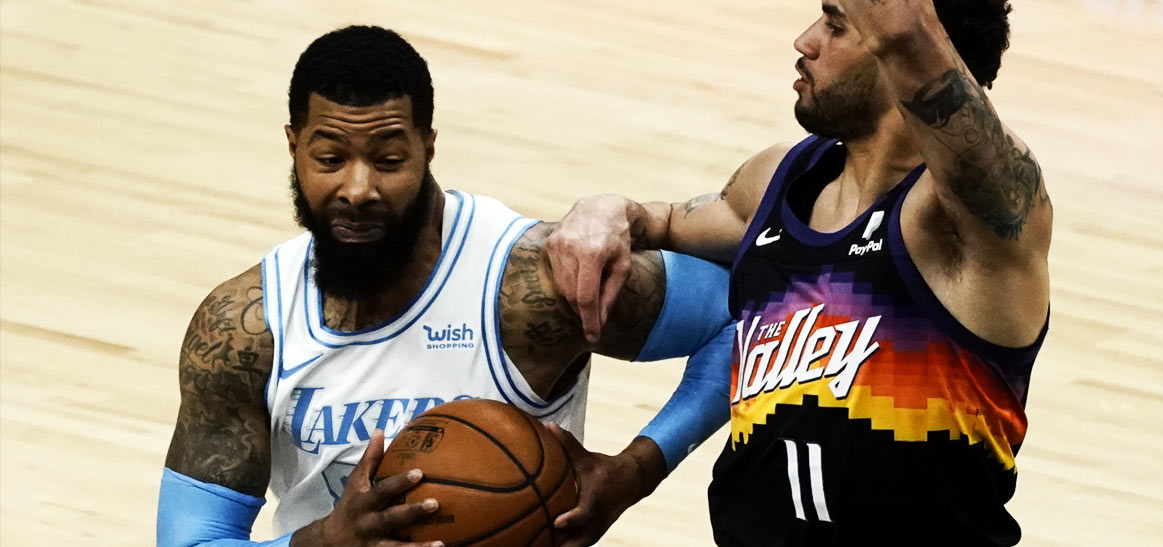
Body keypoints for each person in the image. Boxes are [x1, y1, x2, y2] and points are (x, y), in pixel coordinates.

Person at [155, 25, 733, 547]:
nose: (358, 188)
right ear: (293, 145)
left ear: (428, 146)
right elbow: (192, 541)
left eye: (388, 160)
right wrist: (323, 543)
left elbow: (751, 315)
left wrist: (638, 469)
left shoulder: (528, 286)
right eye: (329, 158)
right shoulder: (244, 329)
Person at [545, 0, 1051, 544]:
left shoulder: (970, 220)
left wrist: (907, 34)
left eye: (835, 25)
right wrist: (607, 211)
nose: (805, 41)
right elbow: (665, 220)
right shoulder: (779, 180)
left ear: (899, 55)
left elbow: (907, 27)